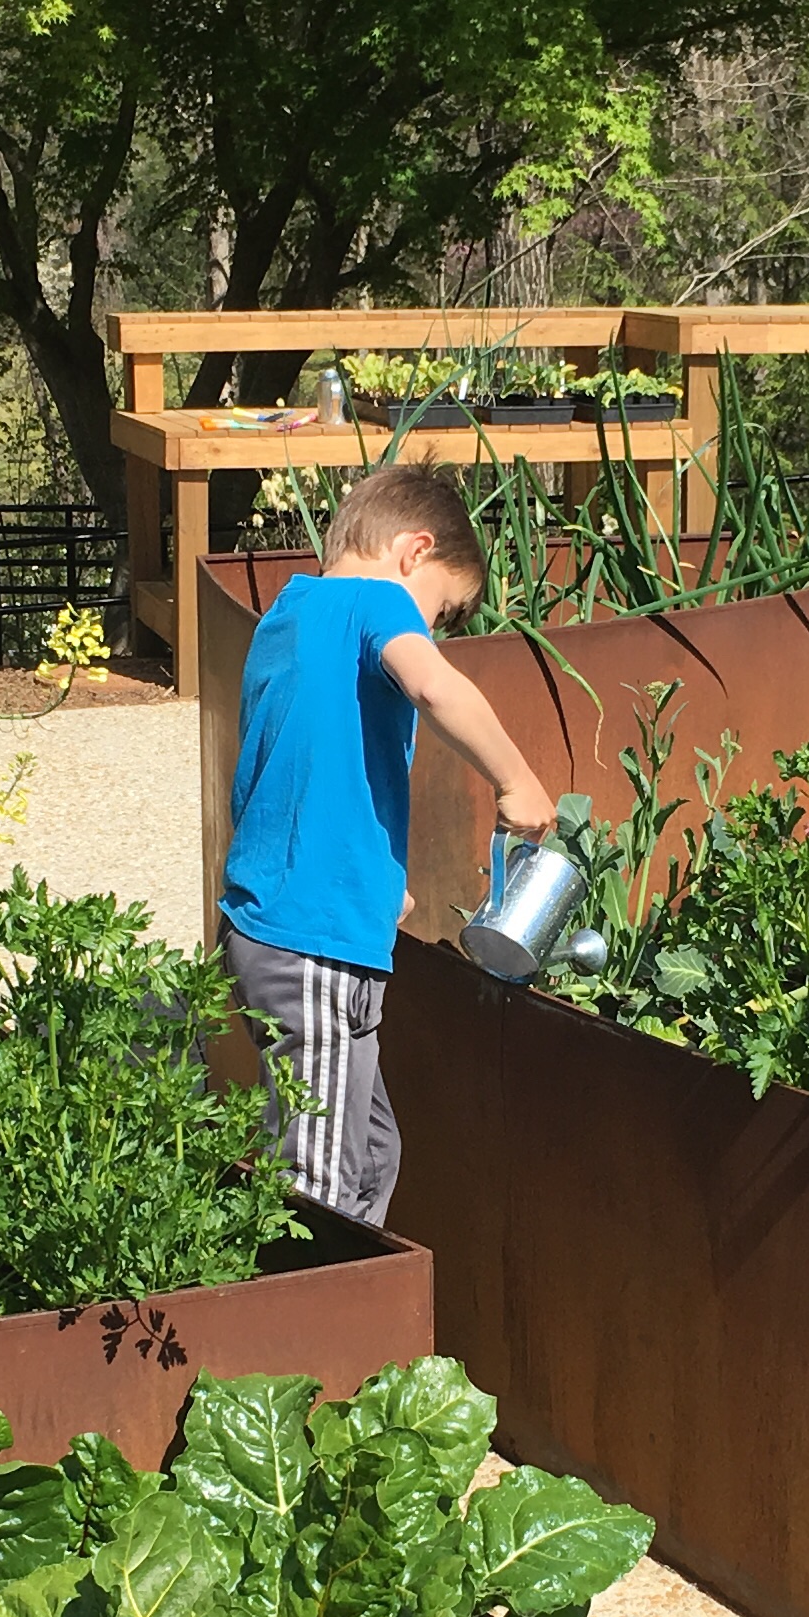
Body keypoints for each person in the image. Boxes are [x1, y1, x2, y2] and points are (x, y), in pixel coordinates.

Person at [217, 463, 553, 1225]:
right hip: (311, 942)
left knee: (370, 1153)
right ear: (413, 552)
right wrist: (516, 779)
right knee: (320, 1180)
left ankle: (345, 1313)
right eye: (438, 610)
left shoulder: (288, 615)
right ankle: (305, 1329)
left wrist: (372, 880)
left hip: (292, 928)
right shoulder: (372, 602)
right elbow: (435, 687)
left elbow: (295, 773)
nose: (428, 632)